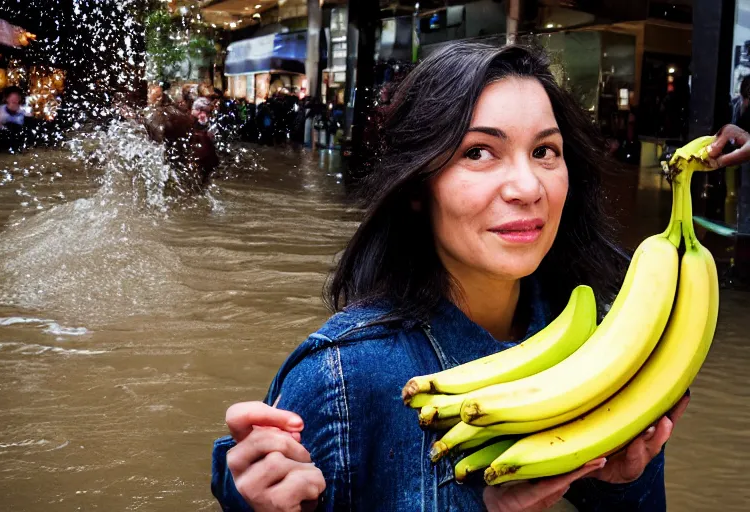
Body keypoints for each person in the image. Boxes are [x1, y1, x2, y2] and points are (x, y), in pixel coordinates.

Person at [211, 43, 696, 511]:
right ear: (420, 185)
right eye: (479, 152)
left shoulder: (606, 353)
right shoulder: (342, 381)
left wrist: (624, 484)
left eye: (545, 151)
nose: (528, 188)